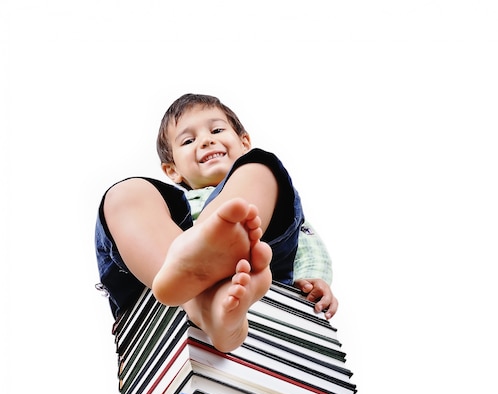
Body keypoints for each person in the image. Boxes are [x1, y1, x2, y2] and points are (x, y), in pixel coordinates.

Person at [95, 93, 338, 352]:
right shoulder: (168, 206)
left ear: (243, 142)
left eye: (217, 129)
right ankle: (202, 297)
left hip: (254, 265)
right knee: (126, 193)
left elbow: (306, 241)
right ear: (172, 171)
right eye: (188, 140)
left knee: (262, 167)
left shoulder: (258, 179)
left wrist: (313, 277)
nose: (206, 140)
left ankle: (207, 275)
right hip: (158, 262)